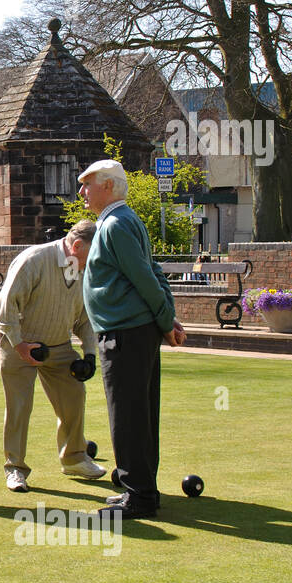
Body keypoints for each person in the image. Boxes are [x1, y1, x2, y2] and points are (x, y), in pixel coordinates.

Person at [78, 160, 187, 519]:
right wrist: (167, 318)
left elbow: (144, 276)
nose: (82, 191)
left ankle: (138, 496)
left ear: (108, 186)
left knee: (127, 416)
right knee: (137, 414)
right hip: (133, 332)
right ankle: (141, 490)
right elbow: (152, 272)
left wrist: (166, 319)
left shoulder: (114, 225)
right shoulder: (125, 221)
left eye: (88, 184)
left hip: (125, 334)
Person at [0, 219, 105, 492]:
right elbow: (5, 309)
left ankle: (74, 457)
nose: (97, 260)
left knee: (74, 396)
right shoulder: (33, 260)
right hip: (19, 343)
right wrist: (20, 345)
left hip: (58, 345)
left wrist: (89, 355)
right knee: (19, 407)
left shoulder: (81, 269)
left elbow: (84, 318)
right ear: (76, 246)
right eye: (94, 252)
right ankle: (15, 469)